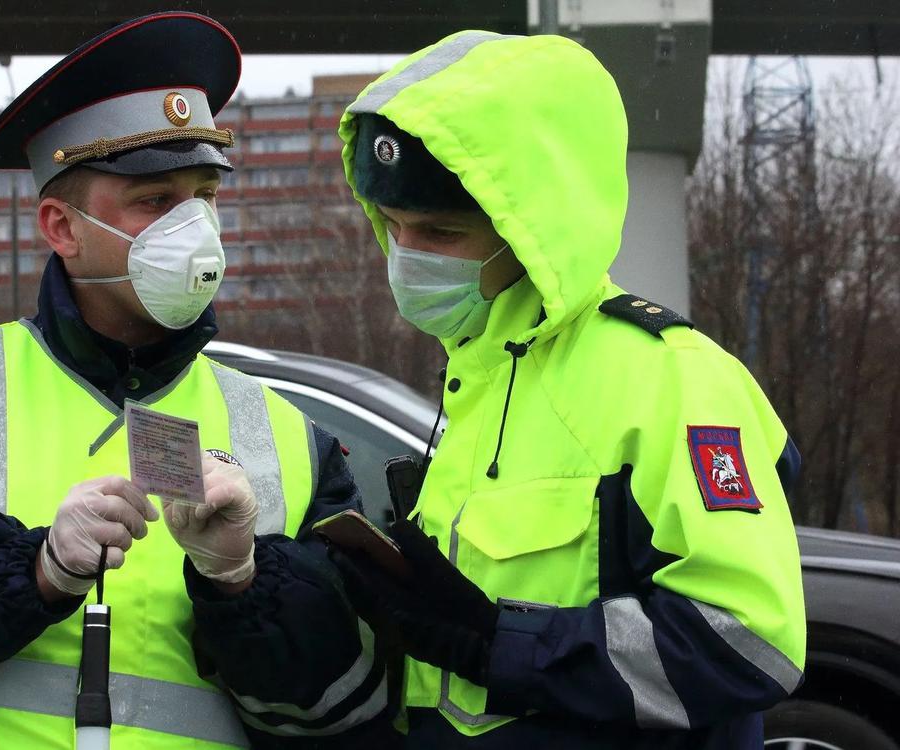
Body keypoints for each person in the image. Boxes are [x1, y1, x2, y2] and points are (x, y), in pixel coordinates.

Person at [0, 13, 394, 749]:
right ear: (61, 227)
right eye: (156, 201)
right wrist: (33, 573)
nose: (195, 228)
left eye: (207, 196)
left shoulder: (291, 434)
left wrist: (242, 580)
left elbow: (350, 712)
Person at [327, 30, 807, 749]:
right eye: (393, 226)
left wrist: (496, 642)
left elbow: (749, 642)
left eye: (440, 230)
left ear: (534, 230)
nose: (408, 257)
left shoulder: (668, 376)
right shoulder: (480, 383)